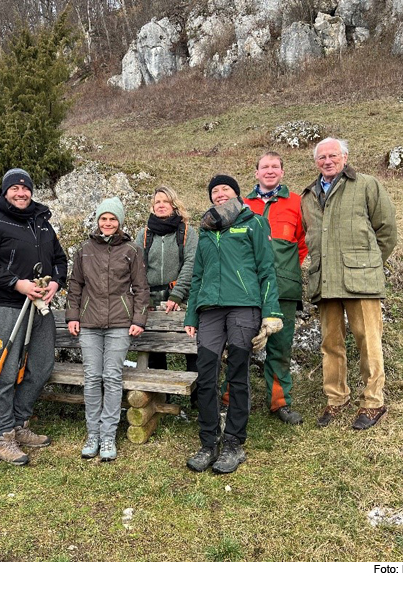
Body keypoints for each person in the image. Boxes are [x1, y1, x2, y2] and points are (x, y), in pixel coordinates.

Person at [184, 175, 282, 475]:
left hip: (243, 307)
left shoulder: (252, 222)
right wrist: (191, 315)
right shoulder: (205, 231)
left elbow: (267, 269)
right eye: (214, 191)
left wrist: (270, 314)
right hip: (210, 310)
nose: (219, 194)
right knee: (206, 373)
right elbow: (197, 276)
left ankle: (234, 444)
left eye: (225, 189)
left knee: (238, 373)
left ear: (237, 194)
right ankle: (208, 442)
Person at [0, 168, 67, 466]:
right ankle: (3, 436)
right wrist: (16, 283)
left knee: (42, 366)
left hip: (39, 308)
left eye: (26, 188)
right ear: (5, 191)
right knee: (5, 371)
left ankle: (20, 423)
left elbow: (60, 260)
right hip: (6, 307)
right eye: (15, 188)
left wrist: (55, 283)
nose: (21, 193)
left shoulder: (43, 224)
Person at [302, 137, 397, 430]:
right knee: (330, 343)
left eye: (333, 156)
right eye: (322, 158)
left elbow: (387, 230)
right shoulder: (308, 195)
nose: (327, 161)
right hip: (325, 280)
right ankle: (336, 398)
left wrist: (368, 263)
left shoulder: (367, 184)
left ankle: (373, 402)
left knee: (368, 340)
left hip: (362, 280)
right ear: (316, 162)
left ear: (344, 157)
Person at [222, 152, 308, 425]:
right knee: (238, 345)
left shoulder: (297, 202)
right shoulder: (242, 204)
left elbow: (303, 243)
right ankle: (231, 400)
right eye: (264, 167)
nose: (270, 171)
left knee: (280, 347)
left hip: (283, 289)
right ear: (256, 172)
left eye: (275, 167)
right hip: (246, 290)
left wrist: (285, 270)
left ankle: (280, 403)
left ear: (282, 172)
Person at [67, 197, 150, 461]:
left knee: (112, 378)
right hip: (89, 324)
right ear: (98, 221)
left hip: (120, 325)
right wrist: (72, 315)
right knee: (92, 378)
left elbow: (141, 288)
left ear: (120, 222)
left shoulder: (131, 250)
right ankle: (92, 434)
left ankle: (107, 437)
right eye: (104, 218)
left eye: (113, 219)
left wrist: (138, 319)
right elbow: (75, 286)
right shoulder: (84, 250)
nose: (108, 223)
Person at [134, 186, 198, 374]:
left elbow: (191, 264)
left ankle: (196, 399)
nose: (161, 205)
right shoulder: (144, 234)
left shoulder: (187, 232)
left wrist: (177, 296)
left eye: (165, 201)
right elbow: (138, 268)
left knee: (191, 349)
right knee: (155, 351)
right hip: (152, 301)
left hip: (182, 301)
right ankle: (158, 397)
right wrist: (145, 298)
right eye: (157, 202)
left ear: (174, 205)